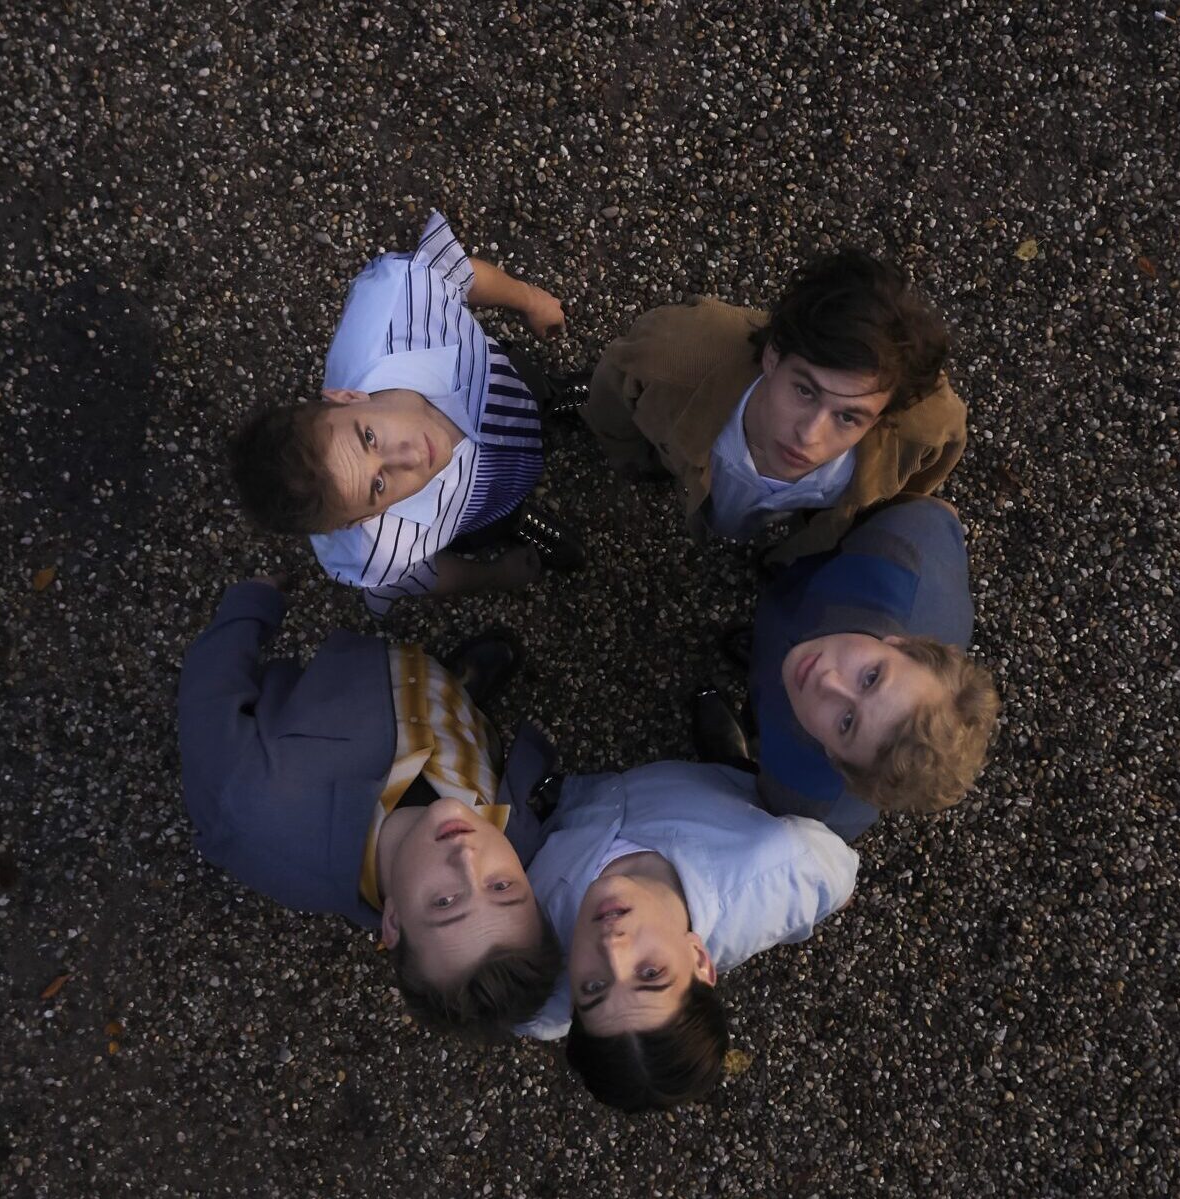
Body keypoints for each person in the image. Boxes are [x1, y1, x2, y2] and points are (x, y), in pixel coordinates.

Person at [177, 573, 563, 1037]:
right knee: (453, 704)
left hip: (344, 687)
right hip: (444, 713)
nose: (468, 858)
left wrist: (253, 603)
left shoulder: (247, 799)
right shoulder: (522, 836)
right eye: (502, 887)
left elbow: (208, 695)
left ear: (394, 920)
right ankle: (452, 688)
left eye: (445, 901)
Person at [230, 212, 583, 616]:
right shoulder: (376, 552)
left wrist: (532, 300)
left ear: (346, 397)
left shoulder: (400, 299)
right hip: (482, 504)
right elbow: (427, 575)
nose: (413, 456)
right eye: (378, 486)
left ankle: (555, 397)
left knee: (535, 389)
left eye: (369, 438)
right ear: (357, 520)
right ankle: (517, 519)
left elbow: (457, 274)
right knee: (493, 522)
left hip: (505, 382)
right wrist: (495, 576)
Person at [577, 248, 965, 566]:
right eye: (805, 392)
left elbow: (913, 486)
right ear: (773, 356)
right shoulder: (667, 360)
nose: (809, 436)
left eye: (848, 416)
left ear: (884, 417)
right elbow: (612, 393)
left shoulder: (927, 432)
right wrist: (632, 461)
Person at [515, 762, 857, 1111]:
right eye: (650, 974)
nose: (611, 946)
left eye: (593, 987)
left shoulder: (526, 955)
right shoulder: (780, 864)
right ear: (699, 960)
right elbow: (837, 878)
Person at [705, 496, 1001, 841]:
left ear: (836, 759)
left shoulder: (806, 799)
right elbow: (940, 515)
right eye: (871, 677)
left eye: (847, 723)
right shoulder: (905, 554)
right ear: (902, 644)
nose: (828, 681)